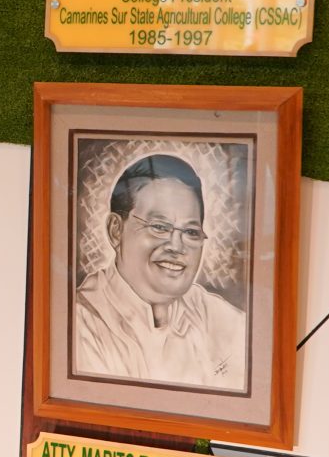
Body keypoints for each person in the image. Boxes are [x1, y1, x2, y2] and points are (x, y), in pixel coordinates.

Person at [72, 152, 247, 389]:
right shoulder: (80, 324)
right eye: (159, 227)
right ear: (115, 230)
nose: (177, 246)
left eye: (191, 232)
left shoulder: (209, 313)